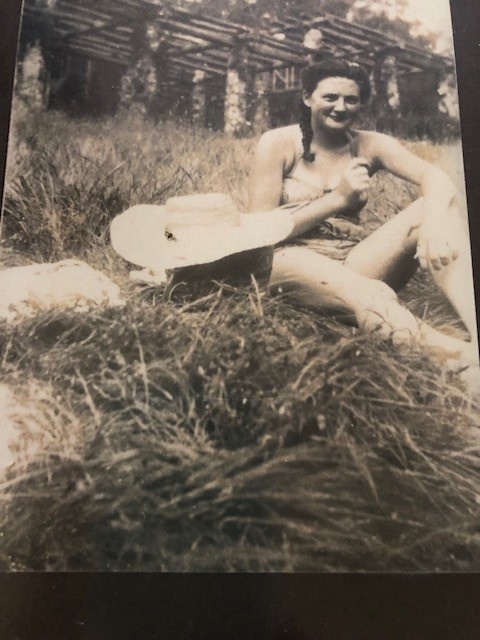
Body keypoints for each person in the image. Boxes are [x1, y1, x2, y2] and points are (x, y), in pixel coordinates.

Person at [249, 59, 479, 377]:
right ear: (307, 98)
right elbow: (259, 232)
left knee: (435, 205)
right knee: (368, 293)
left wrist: (435, 222)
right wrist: (338, 200)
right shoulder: (277, 144)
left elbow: (436, 176)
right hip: (289, 260)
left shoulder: (369, 144)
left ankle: (476, 327)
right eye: (330, 97)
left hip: (352, 259)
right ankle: (456, 358)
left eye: (351, 99)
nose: (340, 107)